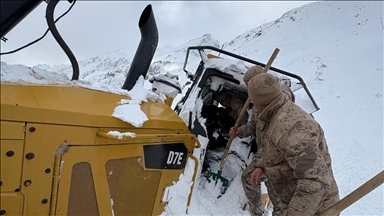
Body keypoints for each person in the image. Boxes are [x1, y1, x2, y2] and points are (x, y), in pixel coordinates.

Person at [247, 73, 339, 216]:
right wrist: (261, 165)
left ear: (256, 100)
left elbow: (314, 183)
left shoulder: (293, 130)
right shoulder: (273, 115)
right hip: (288, 198)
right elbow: (276, 150)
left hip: (312, 209)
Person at [230, 65, 295, 215]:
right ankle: (258, 211)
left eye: (249, 85)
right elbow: (254, 125)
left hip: (278, 155)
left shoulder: (279, 97)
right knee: (251, 179)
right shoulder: (257, 100)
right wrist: (240, 131)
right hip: (265, 152)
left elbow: (285, 99)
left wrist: (263, 164)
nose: (248, 89)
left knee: (279, 197)